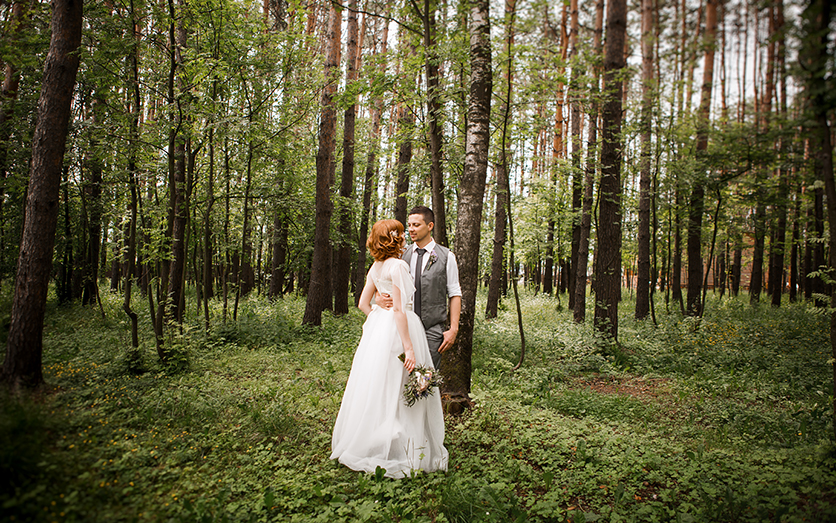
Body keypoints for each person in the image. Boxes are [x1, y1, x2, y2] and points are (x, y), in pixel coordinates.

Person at [330, 219, 448, 478]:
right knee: (409, 381)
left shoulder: (376, 267)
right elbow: (399, 309)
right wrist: (410, 348)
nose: (405, 235)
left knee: (382, 385)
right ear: (394, 239)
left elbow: (362, 303)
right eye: (401, 232)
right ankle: (404, 441)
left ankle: (383, 436)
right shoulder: (398, 266)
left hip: (378, 331)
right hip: (400, 330)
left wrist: (376, 309)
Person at [381, 206, 461, 369]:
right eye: (409, 225)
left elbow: (454, 294)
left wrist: (453, 329)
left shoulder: (447, 257)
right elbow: (383, 284)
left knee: (425, 379)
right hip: (403, 327)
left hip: (432, 329)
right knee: (400, 377)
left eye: (416, 225)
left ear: (430, 226)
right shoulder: (402, 254)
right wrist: (379, 298)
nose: (411, 229)